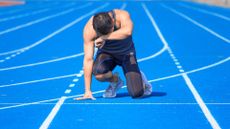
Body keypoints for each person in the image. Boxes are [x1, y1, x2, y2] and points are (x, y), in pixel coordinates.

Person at [75, 9, 152, 100]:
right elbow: (88, 59)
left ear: (112, 21)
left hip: (126, 54)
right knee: (98, 74)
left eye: (109, 31)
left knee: (136, 93)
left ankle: (139, 76)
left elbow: (128, 31)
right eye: (103, 34)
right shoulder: (89, 30)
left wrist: (104, 37)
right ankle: (116, 81)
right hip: (107, 54)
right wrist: (87, 90)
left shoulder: (122, 15)